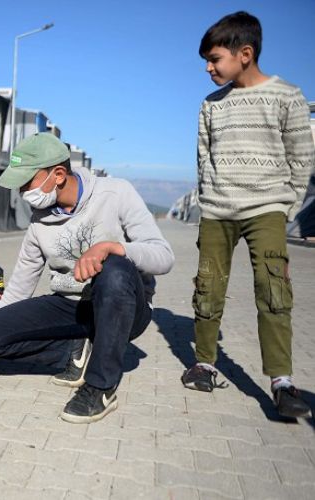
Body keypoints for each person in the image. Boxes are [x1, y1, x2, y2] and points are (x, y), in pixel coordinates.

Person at [0, 133, 174, 424]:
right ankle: (74, 351)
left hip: (123, 307)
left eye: (27, 182)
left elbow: (164, 256)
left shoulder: (116, 193)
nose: (23, 191)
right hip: (71, 306)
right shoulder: (39, 219)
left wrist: (112, 248)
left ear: (58, 174)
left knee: (115, 269)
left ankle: (100, 387)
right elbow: (20, 284)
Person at [182, 12, 315, 419]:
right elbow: (203, 158)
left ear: (245, 53)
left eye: (214, 59)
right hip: (218, 212)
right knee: (208, 287)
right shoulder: (210, 106)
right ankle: (204, 362)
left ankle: (282, 383)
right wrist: (210, 200)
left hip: (266, 211)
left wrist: (285, 207)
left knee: (274, 293)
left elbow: (300, 158)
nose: (208, 67)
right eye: (206, 60)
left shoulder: (286, 96)